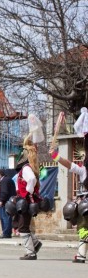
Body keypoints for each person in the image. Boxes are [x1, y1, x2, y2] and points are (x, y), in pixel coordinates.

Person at [49, 107, 88, 263]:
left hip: (86, 205)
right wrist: (55, 156)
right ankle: (81, 254)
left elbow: (69, 165)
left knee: (84, 228)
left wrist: (55, 156)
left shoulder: (84, 169)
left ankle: (81, 255)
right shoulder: (84, 169)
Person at [14, 135, 43, 260]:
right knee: (23, 224)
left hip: (25, 200)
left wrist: (27, 193)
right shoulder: (30, 167)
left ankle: (31, 252)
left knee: (23, 227)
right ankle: (35, 243)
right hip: (27, 200)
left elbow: (31, 179)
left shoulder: (26, 168)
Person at [0, 169, 15, 238]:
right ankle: (8, 233)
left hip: (6, 202)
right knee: (8, 218)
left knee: (5, 218)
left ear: (0, 175)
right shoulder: (9, 179)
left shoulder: (4, 181)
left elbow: (4, 192)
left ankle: (6, 233)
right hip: (11, 201)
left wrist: (1, 200)